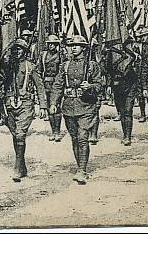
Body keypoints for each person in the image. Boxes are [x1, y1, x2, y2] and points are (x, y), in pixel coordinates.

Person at [51, 35, 104, 185]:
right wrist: (53, 102)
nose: (73, 48)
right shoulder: (65, 66)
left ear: (84, 49)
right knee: (74, 137)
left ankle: (82, 169)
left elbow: (100, 85)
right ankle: (79, 165)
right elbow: (57, 85)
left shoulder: (92, 66)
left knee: (82, 137)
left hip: (86, 105)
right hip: (69, 106)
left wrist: (91, 87)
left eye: (77, 45)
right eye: (71, 45)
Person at [0, 38, 47, 182]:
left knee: (20, 134)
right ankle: (22, 165)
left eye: (20, 49)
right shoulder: (8, 67)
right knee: (15, 135)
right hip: (10, 104)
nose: (16, 52)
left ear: (25, 51)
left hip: (26, 104)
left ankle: (17, 167)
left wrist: (43, 105)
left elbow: (40, 86)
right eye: (14, 49)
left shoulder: (31, 67)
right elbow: (0, 82)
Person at [105, 34, 139, 146]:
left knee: (128, 110)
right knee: (122, 111)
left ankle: (127, 136)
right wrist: (109, 85)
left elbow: (139, 71)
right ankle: (125, 133)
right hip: (117, 85)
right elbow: (108, 70)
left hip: (130, 85)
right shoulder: (112, 53)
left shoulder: (133, 54)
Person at [37, 35, 64, 141]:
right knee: (49, 108)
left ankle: (57, 131)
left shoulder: (61, 55)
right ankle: (53, 131)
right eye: (49, 44)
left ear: (57, 45)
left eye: (53, 44)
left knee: (56, 107)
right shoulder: (43, 55)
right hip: (46, 84)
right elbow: (39, 70)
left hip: (57, 84)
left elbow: (63, 71)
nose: (51, 45)